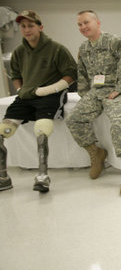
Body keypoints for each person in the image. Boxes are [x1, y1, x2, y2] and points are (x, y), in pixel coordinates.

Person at [0, 10, 77, 193]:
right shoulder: (19, 51)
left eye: (31, 25)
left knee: (41, 131)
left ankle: (42, 176)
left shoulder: (56, 49)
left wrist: (47, 90)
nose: (27, 30)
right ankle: (3, 176)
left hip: (50, 95)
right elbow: (16, 75)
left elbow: (71, 75)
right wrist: (21, 90)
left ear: (40, 27)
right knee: (2, 132)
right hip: (26, 96)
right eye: (23, 26)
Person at [65, 10, 121, 196]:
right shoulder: (84, 48)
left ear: (97, 22)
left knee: (118, 121)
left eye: (86, 22)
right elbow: (81, 72)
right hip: (97, 91)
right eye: (79, 24)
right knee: (73, 119)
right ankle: (95, 153)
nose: (83, 27)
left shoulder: (113, 41)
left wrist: (120, 86)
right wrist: (84, 95)